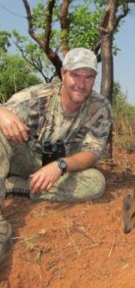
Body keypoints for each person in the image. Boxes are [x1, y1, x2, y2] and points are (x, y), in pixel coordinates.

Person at [0, 48, 112, 264]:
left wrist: (60, 165)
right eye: (75, 75)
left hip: (59, 170)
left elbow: (92, 153)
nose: (81, 83)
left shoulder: (100, 107)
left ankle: (18, 187)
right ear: (63, 74)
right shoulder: (36, 97)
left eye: (88, 76)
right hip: (22, 158)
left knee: (96, 183)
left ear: (94, 79)